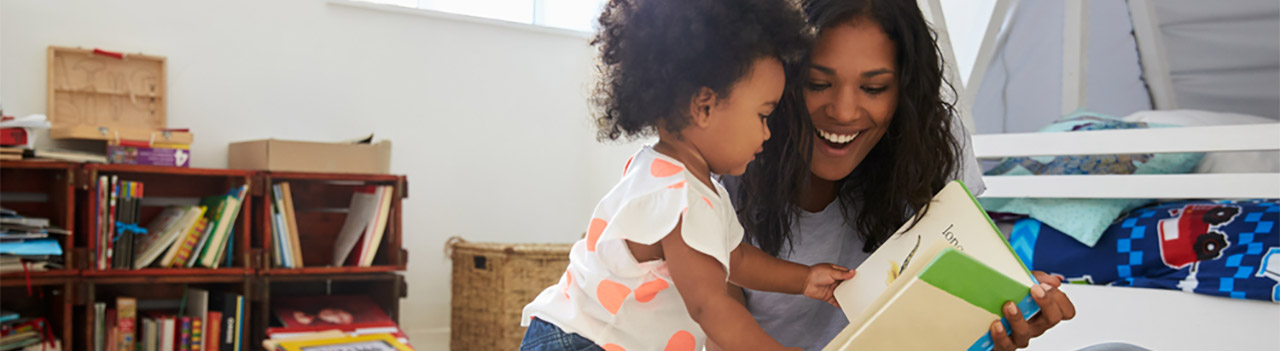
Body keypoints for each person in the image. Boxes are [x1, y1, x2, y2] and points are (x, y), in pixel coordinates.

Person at [723, 0, 1078, 350]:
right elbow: (715, 324)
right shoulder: (728, 155)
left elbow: (948, 320)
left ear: (904, 90)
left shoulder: (931, 143)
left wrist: (994, 323)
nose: (844, 112)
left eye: (874, 88)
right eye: (817, 83)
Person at [519, 0, 856, 350]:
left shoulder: (685, 181)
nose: (768, 133)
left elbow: (734, 258)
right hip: (584, 342)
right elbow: (710, 306)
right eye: (763, 116)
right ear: (704, 107)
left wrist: (804, 279)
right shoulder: (679, 196)